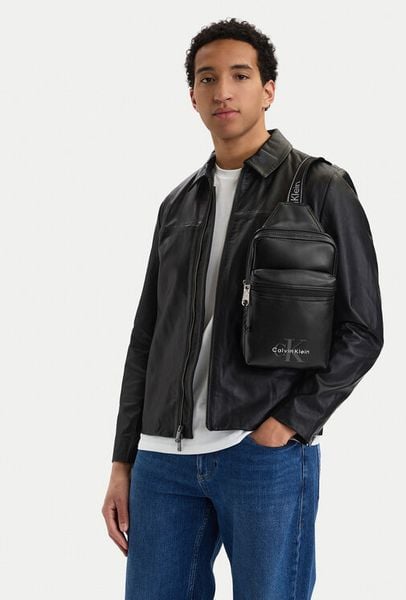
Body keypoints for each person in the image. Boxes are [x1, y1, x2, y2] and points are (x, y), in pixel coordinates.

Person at [101, 17, 384, 600]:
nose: (222, 91)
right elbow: (145, 338)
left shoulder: (320, 186)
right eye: (207, 78)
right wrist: (124, 459)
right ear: (192, 96)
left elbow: (363, 329)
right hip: (163, 460)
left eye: (239, 75)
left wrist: (290, 423)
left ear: (268, 89)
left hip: (261, 453)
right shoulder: (178, 204)